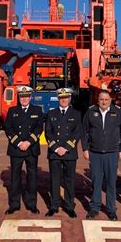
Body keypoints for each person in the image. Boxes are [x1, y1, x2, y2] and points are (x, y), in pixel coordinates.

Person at [82, 90, 121, 221]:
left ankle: (111, 209)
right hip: (95, 153)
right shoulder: (91, 112)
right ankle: (94, 207)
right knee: (96, 181)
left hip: (112, 153)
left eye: (106, 99)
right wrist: (85, 149)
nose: (104, 102)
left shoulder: (117, 112)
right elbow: (84, 131)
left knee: (111, 182)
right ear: (98, 100)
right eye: (101, 99)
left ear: (110, 100)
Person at [4, 86, 43, 214]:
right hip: (16, 148)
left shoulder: (37, 110)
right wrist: (19, 142)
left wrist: (28, 142)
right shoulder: (12, 110)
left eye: (26, 97)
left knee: (32, 177)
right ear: (19, 98)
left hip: (31, 149)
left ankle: (31, 204)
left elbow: (39, 128)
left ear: (30, 97)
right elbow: (8, 128)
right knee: (15, 177)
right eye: (22, 97)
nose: (24, 99)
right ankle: (14, 204)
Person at [45, 88, 83, 218]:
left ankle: (69, 206)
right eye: (61, 98)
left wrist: (66, 147)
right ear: (58, 99)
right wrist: (56, 148)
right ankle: (54, 205)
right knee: (54, 180)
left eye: (66, 98)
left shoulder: (76, 114)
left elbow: (78, 132)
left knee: (69, 180)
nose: (64, 100)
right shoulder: (51, 113)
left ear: (70, 99)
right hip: (54, 152)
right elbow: (48, 132)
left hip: (69, 152)